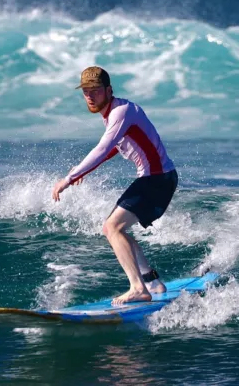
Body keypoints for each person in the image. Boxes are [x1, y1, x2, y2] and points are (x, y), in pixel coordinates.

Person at [51, 66, 179, 305]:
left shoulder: (121, 112)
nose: (90, 95)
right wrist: (83, 171)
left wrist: (68, 179)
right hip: (155, 178)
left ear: (109, 90)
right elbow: (114, 147)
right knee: (114, 229)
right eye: (86, 91)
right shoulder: (112, 113)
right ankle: (151, 282)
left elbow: (102, 147)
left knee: (113, 228)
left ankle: (138, 288)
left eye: (96, 90)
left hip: (157, 179)